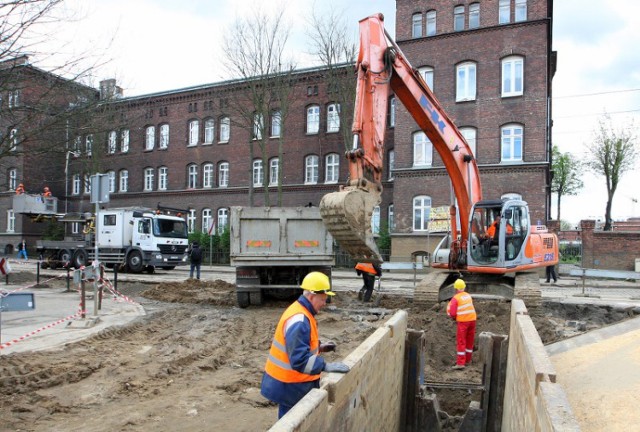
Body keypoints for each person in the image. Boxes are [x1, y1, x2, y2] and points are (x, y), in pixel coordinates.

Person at [261, 272, 349, 418]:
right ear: (312, 296)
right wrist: (325, 366)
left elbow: (296, 346)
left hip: (290, 383)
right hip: (290, 385)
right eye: (323, 299)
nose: (324, 303)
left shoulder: (301, 312)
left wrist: (319, 348)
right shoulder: (300, 320)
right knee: (291, 422)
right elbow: (299, 359)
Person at [447, 279, 476, 370]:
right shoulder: (468, 296)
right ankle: (468, 360)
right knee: (469, 340)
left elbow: (452, 313)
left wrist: (453, 317)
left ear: (455, 288)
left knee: (461, 341)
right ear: (464, 287)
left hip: (463, 322)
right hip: (472, 320)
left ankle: (460, 363)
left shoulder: (456, 298)